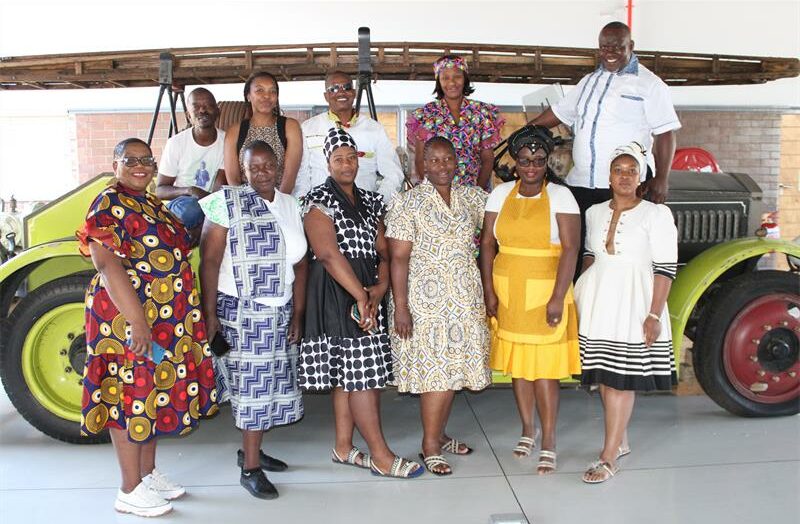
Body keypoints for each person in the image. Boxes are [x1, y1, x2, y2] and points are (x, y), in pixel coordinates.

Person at [77, 138, 218, 517]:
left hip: (165, 318)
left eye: (146, 160)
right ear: (115, 163)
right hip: (128, 317)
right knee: (130, 394)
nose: (140, 166)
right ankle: (128, 488)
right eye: (131, 160)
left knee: (152, 392)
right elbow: (107, 265)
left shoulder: (149, 201)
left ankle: (147, 473)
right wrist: (138, 323)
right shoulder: (108, 203)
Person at [298, 127, 423, 479]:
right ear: (327, 163)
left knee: (348, 375)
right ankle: (381, 456)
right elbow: (326, 254)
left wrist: (380, 289)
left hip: (367, 292)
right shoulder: (316, 198)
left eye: (351, 157)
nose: (346, 164)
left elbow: (383, 252)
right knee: (362, 377)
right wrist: (360, 296)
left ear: (359, 160)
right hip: (338, 292)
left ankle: (343, 446)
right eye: (338, 158)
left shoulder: (371, 201)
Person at [199, 141, 307, 499]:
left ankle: (252, 449)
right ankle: (250, 469)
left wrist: (299, 312)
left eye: (267, 166)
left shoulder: (291, 204)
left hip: (280, 309)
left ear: (278, 167)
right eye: (253, 167)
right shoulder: (224, 202)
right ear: (242, 171)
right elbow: (209, 261)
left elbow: (300, 262)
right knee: (252, 391)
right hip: (243, 313)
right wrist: (210, 314)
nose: (261, 173)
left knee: (271, 385)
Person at [530, 22, 680, 271]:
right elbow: (559, 112)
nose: (609, 51)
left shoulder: (649, 84)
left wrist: (662, 179)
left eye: (617, 46)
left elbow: (665, 133)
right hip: (581, 185)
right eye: (604, 46)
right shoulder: (589, 81)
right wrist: (526, 132)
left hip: (622, 186)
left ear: (630, 46)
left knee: (613, 253)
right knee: (579, 252)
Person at [479, 126, 581, 475]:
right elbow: (487, 246)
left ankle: (549, 440)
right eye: (524, 160)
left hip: (545, 294)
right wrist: (489, 291)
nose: (531, 167)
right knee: (520, 370)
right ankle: (527, 430)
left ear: (547, 161)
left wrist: (557, 298)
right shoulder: (500, 194)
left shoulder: (561, 197)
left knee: (545, 373)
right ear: (516, 162)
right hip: (508, 292)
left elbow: (571, 249)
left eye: (538, 160)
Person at [386, 136, 491, 476]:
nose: (443, 166)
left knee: (454, 371)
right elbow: (397, 259)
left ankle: (441, 434)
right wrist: (401, 307)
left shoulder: (471, 198)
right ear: (423, 165)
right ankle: (429, 445)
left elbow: (500, 223)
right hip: (424, 303)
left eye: (449, 159)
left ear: (457, 162)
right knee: (436, 376)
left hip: (463, 299)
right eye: (435, 160)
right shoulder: (408, 203)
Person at [574, 142, 678, 483]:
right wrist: (584, 290)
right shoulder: (594, 212)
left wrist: (653, 314)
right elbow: (590, 254)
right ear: (609, 176)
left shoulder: (657, 214)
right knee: (605, 376)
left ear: (641, 177)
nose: (624, 176)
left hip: (635, 301)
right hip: (599, 300)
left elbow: (665, 268)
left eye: (631, 171)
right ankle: (619, 440)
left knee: (621, 380)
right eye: (618, 170)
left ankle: (607, 457)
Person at [294, 71, 404, 203]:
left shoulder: (374, 129)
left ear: (354, 92)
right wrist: (304, 205)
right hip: (321, 209)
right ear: (326, 96)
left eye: (346, 87)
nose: (341, 92)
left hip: (362, 211)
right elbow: (301, 174)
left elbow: (394, 174)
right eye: (334, 89)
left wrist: (376, 203)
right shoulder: (308, 128)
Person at [407, 55, 504, 189]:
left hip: (472, 192)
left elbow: (487, 160)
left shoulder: (481, 113)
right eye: (445, 78)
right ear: (438, 82)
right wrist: (432, 193)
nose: (451, 83)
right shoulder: (427, 114)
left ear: (465, 79)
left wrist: (477, 192)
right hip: (437, 193)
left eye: (457, 76)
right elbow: (420, 160)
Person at [156, 88, 225, 239]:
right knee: (190, 209)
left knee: (220, 208)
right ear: (189, 115)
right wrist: (190, 190)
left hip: (212, 202)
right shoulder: (176, 143)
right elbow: (160, 191)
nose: (202, 110)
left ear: (217, 111)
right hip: (182, 203)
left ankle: (190, 234)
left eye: (208, 105)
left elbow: (217, 194)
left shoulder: (227, 142)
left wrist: (203, 226)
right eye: (196, 107)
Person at [224, 72, 303, 194]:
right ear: (248, 96)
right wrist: (250, 206)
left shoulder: (290, 126)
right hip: (245, 202)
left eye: (272, 91)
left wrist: (275, 206)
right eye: (260, 90)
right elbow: (233, 179)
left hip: (281, 199)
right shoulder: (235, 131)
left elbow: (290, 177)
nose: (267, 96)